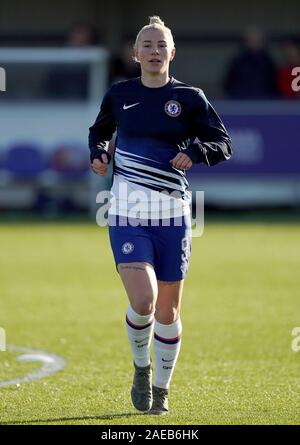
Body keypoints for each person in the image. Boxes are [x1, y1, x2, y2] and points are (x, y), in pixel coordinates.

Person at [88, 16, 232, 415]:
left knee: (168, 311)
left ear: (172, 52)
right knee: (144, 299)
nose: (153, 52)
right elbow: (99, 131)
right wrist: (99, 154)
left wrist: (198, 152)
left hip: (173, 217)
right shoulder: (119, 95)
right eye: (146, 45)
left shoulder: (190, 98)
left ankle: (161, 390)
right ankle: (140, 366)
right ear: (135, 54)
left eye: (160, 45)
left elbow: (223, 142)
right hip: (127, 213)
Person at [223, 27, 278, 99]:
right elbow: (228, 83)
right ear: (245, 42)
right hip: (241, 100)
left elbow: (274, 83)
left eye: (257, 40)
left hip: (265, 101)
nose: (254, 43)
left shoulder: (268, 61)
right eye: (251, 40)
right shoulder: (237, 61)